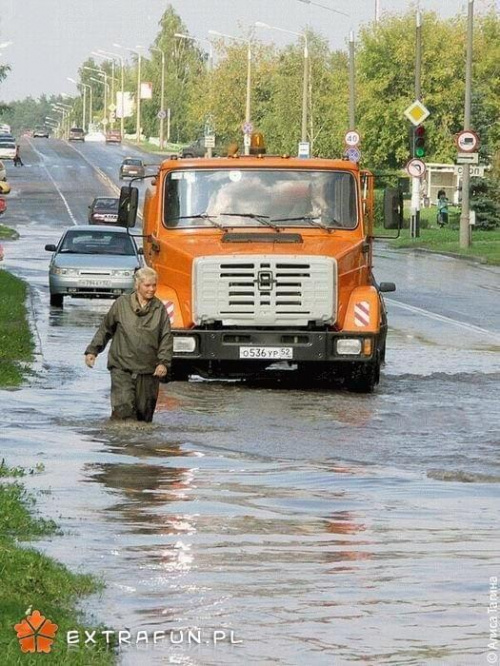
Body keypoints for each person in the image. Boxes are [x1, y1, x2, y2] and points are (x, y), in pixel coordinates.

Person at [84, 267, 173, 422]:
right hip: (121, 369)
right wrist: (93, 351)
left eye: (154, 285)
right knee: (124, 411)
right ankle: (119, 444)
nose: (151, 289)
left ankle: (140, 446)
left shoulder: (160, 309)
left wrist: (163, 363)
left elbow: (166, 337)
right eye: (147, 285)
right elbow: (105, 328)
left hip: (148, 372)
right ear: (137, 285)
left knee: (143, 418)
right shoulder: (121, 304)